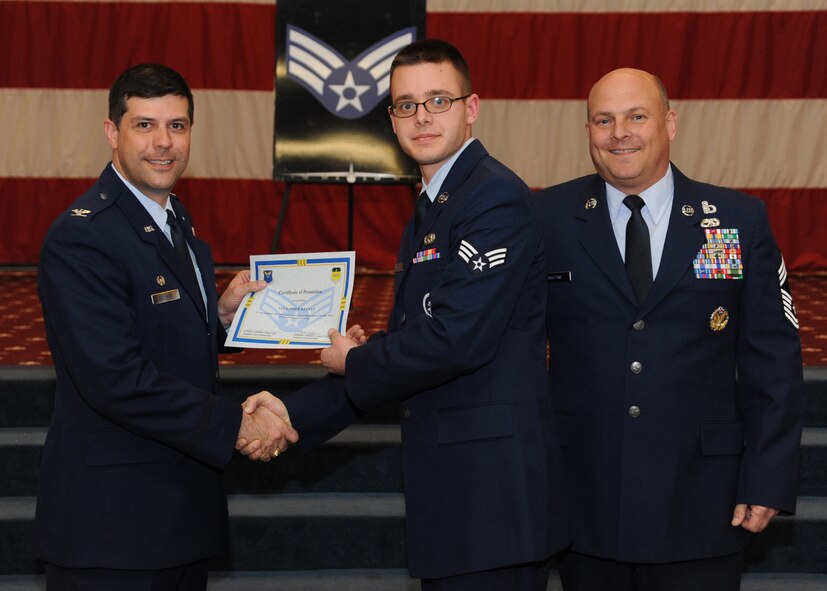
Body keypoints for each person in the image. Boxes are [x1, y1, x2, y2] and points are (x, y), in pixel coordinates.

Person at [240, 39, 569, 590]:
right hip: (459, 495)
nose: (422, 117)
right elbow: (414, 346)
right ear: (390, 120)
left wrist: (362, 359)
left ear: (471, 108)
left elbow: (457, 340)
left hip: (492, 499)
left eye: (438, 100)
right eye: (405, 105)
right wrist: (294, 414)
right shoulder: (434, 205)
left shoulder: (493, 198)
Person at [534, 68, 803, 590]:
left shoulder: (735, 220)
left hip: (703, 500)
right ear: (588, 131)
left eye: (637, 116)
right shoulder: (547, 217)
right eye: (603, 120)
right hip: (585, 495)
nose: (619, 133)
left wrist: (767, 476)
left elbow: (772, 361)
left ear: (670, 123)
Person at [36, 63, 297, 590]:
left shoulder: (177, 222)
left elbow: (159, 332)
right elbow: (116, 379)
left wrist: (220, 317)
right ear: (112, 132)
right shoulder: (84, 238)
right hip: (112, 527)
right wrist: (238, 427)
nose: (163, 143)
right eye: (144, 125)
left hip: (176, 513)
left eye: (177, 126)